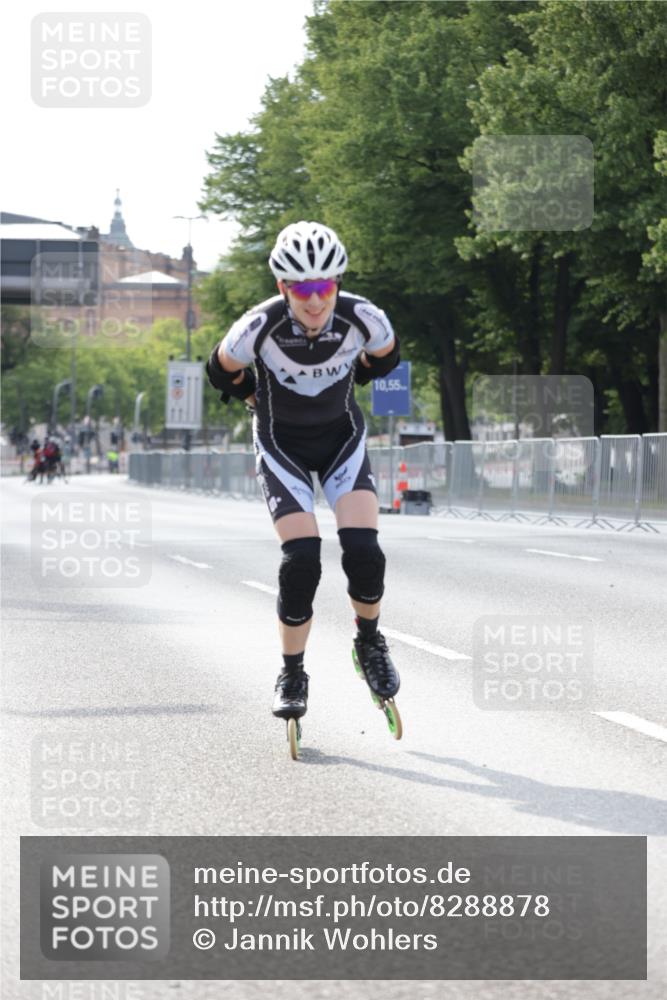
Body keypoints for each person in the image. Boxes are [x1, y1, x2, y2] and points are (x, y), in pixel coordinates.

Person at [206, 221, 402, 722]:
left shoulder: (364, 318)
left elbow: (387, 356)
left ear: (337, 283)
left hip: (341, 440)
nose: (315, 301)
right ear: (283, 288)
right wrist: (252, 395)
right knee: (303, 562)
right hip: (281, 445)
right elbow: (219, 368)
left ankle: (370, 642)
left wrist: (356, 375)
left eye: (325, 287)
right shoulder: (259, 325)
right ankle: (292, 672)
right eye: (302, 289)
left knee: (363, 552)